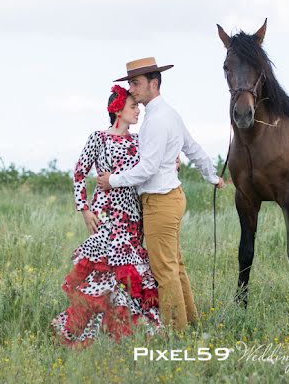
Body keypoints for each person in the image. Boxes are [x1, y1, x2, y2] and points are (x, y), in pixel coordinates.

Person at [97, 57, 226, 333]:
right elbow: (194, 149)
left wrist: (112, 181)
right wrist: (212, 176)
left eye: (136, 83)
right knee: (175, 266)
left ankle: (175, 332)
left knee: (164, 270)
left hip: (160, 202)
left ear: (153, 84)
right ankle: (189, 322)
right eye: (130, 83)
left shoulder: (156, 120)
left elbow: (148, 168)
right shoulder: (168, 114)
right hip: (171, 197)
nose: (131, 89)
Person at [51, 84, 162, 347]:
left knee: (129, 273)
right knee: (106, 272)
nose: (138, 111)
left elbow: (153, 166)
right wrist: (84, 209)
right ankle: (80, 327)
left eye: (137, 107)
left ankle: (122, 329)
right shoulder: (98, 138)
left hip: (133, 216)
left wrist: (173, 162)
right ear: (117, 110)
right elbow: (79, 172)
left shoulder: (139, 140)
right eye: (133, 107)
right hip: (106, 215)